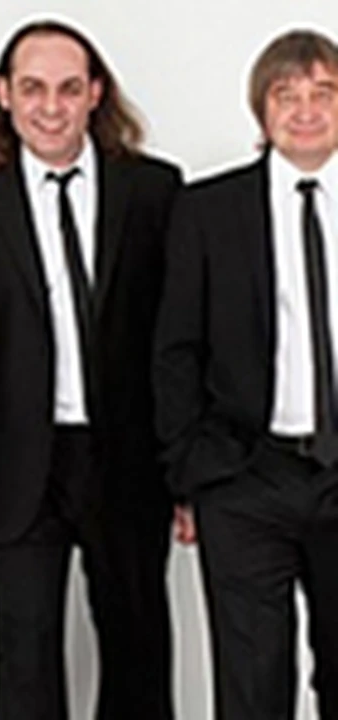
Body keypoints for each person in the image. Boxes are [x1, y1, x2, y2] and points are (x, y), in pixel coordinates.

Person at [0, 20, 181, 720]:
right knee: (24, 665)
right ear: (4, 95)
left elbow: (178, 342)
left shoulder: (154, 191)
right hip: (19, 466)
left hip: (130, 463)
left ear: (95, 94)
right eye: (32, 88)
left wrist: (187, 468)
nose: (50, 107)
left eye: (68, 88)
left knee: (139, 657)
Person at [155, 28, 338, 720]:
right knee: (252, 690)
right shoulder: (209, 211)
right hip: (245, 478)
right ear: (262, 109)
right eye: (286, 95)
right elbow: (176, 350)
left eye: (324, 93)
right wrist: (191, 471)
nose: (305, 110)